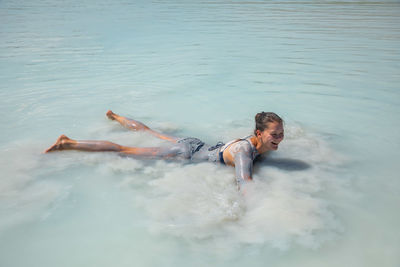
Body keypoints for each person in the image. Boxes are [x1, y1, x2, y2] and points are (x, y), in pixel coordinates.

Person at [45, 110, 284, 189]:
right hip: (186, 153)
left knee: (149, 132)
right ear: (259, 133)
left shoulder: (256, 142)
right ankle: (68, 143)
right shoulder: (245, 151)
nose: (279, 139)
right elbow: (245, 183)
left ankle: (115, 116)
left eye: (281, 134)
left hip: (196, 143)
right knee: (124, 150)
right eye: (275, 134)